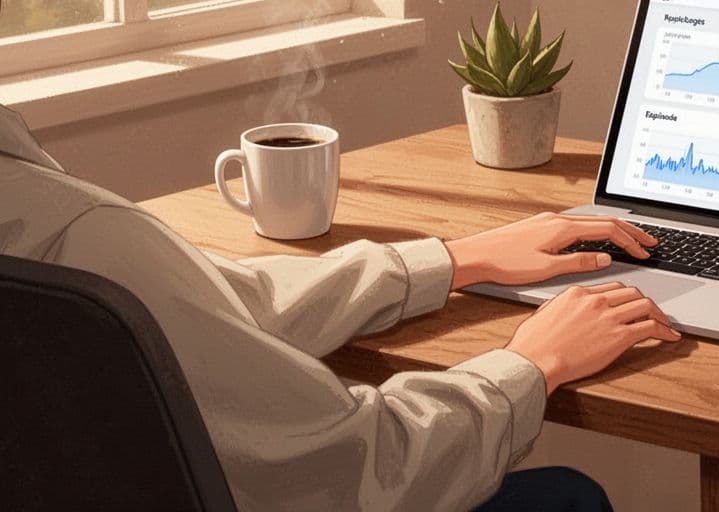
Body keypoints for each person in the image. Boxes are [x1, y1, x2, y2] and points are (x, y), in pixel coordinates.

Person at [0, 102, 679, 511]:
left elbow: (218, 307)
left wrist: (458, 258)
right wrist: (532, 362)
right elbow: (360, 470)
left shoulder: (47, 223)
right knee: (564, 498)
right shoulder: (85, 235)